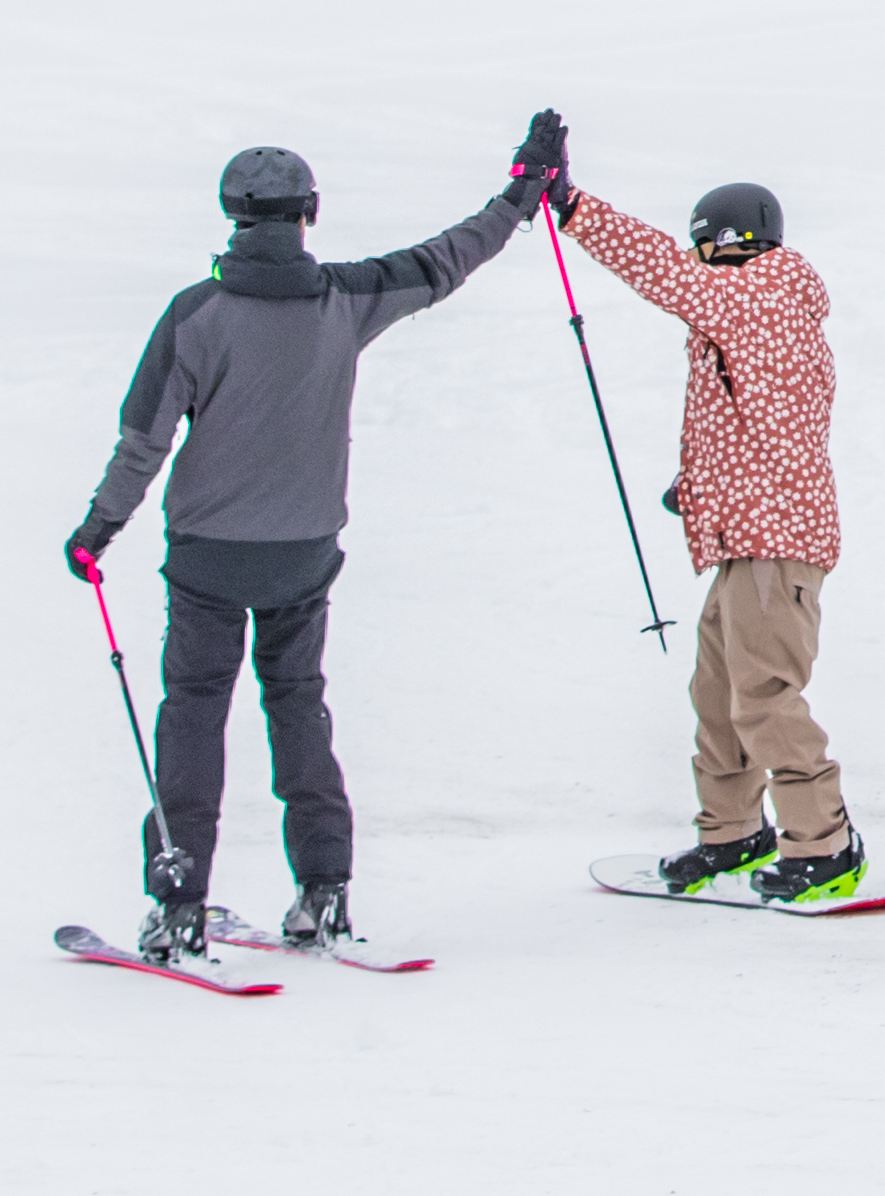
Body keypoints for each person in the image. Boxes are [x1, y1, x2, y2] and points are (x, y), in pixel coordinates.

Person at [70, 117, 562, 961]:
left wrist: (98, 529)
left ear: (231, 212)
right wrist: (522, 194)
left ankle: (179, 905)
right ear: (311, 211)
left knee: (193, 716)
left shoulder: (195, 314)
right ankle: (323, 892)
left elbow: (143, 440)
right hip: (304, 553)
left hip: (207, 556)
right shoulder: (347, 298)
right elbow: (446, 259)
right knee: (297, 705)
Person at [547, 173, 860, 904]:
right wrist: (695, 487)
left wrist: (573, 207)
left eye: (701, 247)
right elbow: (758, 422)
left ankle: (825, 845)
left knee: (766, 696)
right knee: (718, 696)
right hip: (744, 537)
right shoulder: (751, 311)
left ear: (727, 242)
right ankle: (732, 834)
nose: (694, 260)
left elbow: (663, 272)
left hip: (774, 539)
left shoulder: (763, 294)